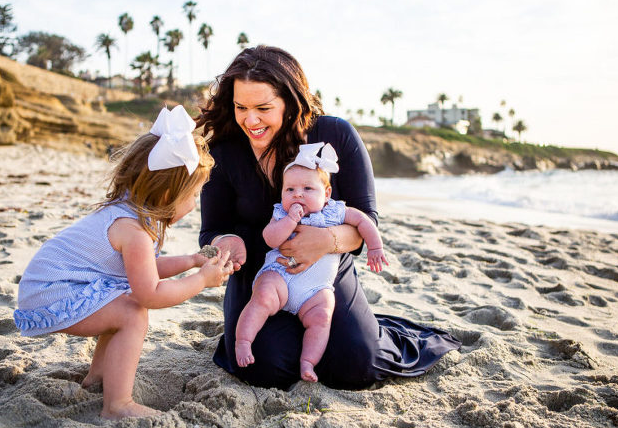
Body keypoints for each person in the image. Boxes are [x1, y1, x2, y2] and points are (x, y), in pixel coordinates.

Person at [197, 45, 461, 390]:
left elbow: (366, 220)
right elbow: (211, 230)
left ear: (290, 103)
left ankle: (363, 329)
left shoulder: (334, 135)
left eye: (263, 108)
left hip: (324, 271)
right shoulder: (223, 152)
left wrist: (325, 241)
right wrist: (226, 242)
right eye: (240, 107)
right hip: (261, 274)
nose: (250, 120)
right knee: (265, 367)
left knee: (357, 365)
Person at [14, 106, 234, 419]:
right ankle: (117, 405)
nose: (194, 203)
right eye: (194, 195)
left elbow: (142, 269)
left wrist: (192, 260)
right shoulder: (132, 229)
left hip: (51, 286)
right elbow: (150, 293)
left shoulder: (131, 211)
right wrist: (201, 280)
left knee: (122, 305)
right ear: (170, 192)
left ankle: (100, 379)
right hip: (54, 292)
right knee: (133, 312)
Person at [235, 142, 389, 382]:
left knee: (322, 316)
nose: (297, 194)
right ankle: (243, 341)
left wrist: (375, 247)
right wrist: (289, 221)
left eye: (308, 188)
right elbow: (270, 238)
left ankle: (308, 361)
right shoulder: (281, 214)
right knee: (262, 296)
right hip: (280, 276)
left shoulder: (335, 211)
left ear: (326, 193)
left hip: (316, 289)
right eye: (290, 189)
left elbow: (363, 221)